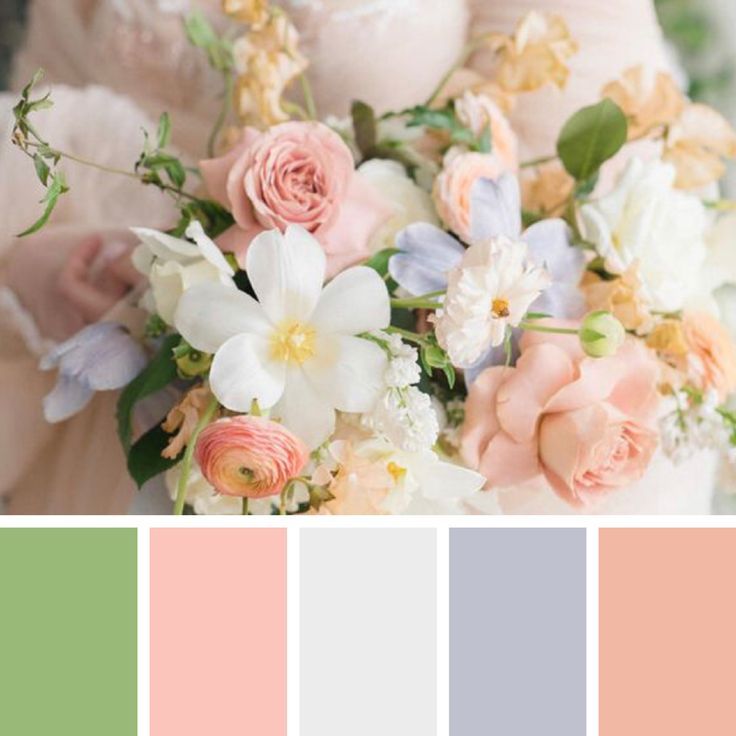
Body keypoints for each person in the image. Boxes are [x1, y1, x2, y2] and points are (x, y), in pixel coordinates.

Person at [0, 0, 684, 514]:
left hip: (427, 409)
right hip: (143, 369)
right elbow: (55, 95)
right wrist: (140, 256)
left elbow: (595, 145)